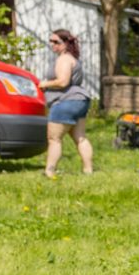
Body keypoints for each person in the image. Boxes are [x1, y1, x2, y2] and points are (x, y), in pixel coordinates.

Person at [42, 29, 95, 177]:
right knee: (80, 137)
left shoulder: (64, 59)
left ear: (65, 43)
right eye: (51, 41)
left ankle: (49, 171)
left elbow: (63, 81)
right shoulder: (72, 58)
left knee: (54, 139)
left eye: (56, 42)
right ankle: (88, 170)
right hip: (80, 101)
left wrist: (45, 84)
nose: (53, 45)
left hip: (65, 102)